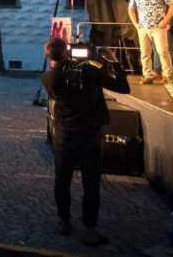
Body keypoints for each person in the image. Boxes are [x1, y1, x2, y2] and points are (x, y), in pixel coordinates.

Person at [42, 37, 130, 247]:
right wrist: (114, 62)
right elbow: (123, 87)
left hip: (64, 135)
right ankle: (90, 231)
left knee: (62, 181)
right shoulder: (91, 71)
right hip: (90, 136)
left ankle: (64, 222)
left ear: (49, 57)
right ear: (67, 51)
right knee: (91, 184)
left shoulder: (48, 77)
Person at [127, 0, 173, 84]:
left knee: (162, 51)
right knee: (145, 53)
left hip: (158, 27)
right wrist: (136, 24)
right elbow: (130, 9)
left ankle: (168, 74)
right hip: (143, 28)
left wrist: (165, 21)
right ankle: (148, 75)